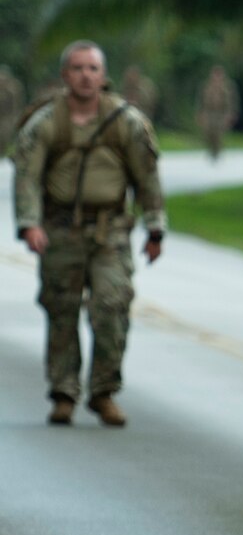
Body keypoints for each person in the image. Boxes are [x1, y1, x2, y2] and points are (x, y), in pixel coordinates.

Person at [12, 41, 166, 427]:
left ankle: (103, 391)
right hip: (61, 231)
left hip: (110, 231)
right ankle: (64, 393)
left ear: (103, 75)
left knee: (111, 306)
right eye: (78, 68)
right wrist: (29, 223)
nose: (86, 75)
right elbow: (27, 177)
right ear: (65, 75)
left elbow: (147, 176)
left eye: (93, 69)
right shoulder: (47, 122)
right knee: (61, 310)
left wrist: (154, 227)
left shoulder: (126, 123)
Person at [197, 64, 239, 161]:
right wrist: (200, 113)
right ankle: (211, 151)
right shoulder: (206, 86)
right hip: (209, 113)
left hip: (222, 113)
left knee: (219, 134)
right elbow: (200, 101)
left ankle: (218, 153)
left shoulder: (228, 87)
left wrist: (232, 114)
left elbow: (233, 101)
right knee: (208, 133)